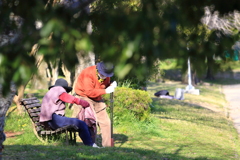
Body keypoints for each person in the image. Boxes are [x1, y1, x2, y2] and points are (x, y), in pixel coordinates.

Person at [39, 78, 99, 148]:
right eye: (66, 90)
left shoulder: (51, 92)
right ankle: (90, 145)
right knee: (81, 123)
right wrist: (82, 102)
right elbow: (68, 98)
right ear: (64, 88)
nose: (66, 92)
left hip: (49, 121)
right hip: (54, 119)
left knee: (79, 123)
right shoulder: (59, 89)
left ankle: (90, 144)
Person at [74, 61, 117, 147]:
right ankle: (91, 144)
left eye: (107, 75)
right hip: (84, 96)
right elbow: (89, 92)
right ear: (98, 69)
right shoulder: (88, 73)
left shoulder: (106, 75)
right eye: (103, 74)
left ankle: (108, 146)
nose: (105, 77)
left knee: (106, 122)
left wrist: (111, 85)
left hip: (97, 97)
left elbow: (106, 85)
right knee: (91, 120)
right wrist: (106, 91)